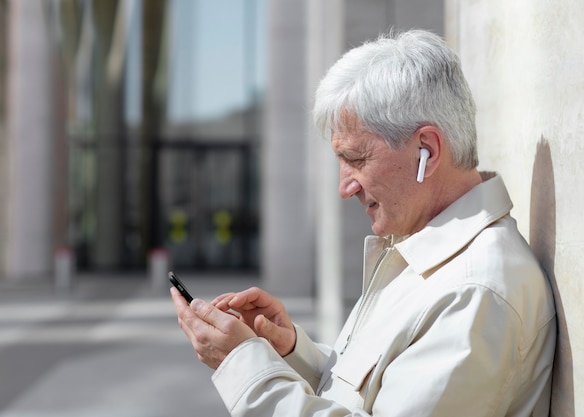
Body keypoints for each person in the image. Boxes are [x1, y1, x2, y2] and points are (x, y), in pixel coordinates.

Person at [171, 29, 556, 416]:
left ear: (428, 150)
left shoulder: (474, 293)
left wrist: (244, 367)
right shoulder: (433, 258)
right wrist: (288, 351)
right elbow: (375, 395)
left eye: (356, 159)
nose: (344, 187)